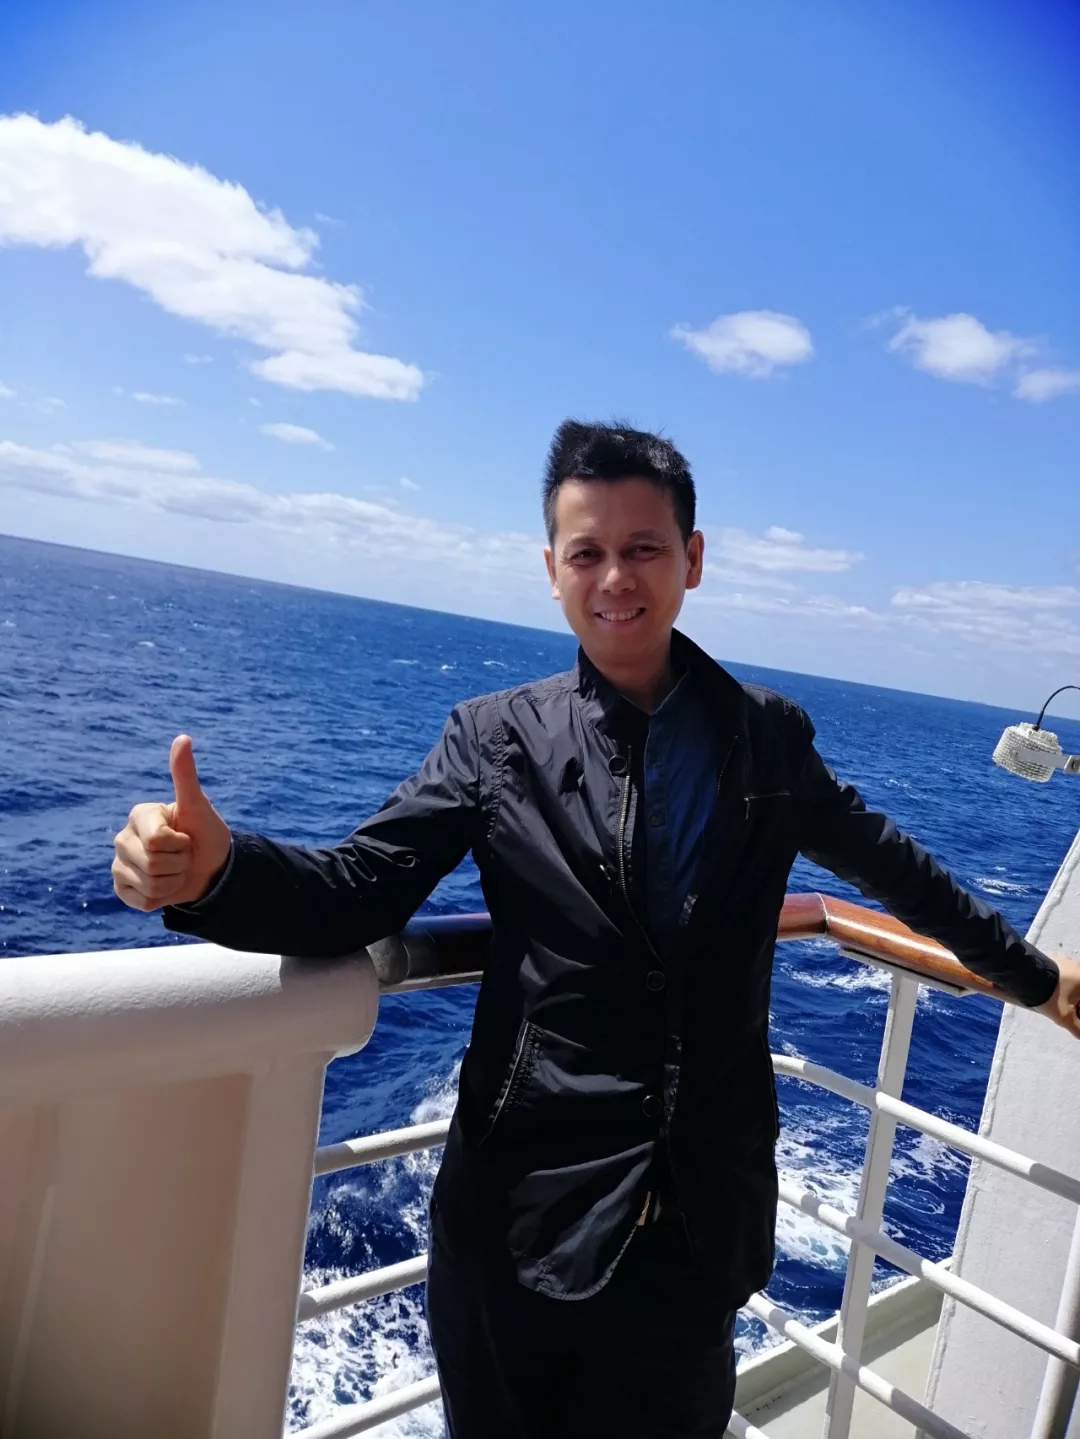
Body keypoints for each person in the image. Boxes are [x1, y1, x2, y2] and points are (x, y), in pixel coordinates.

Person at [112, 419, 1080, 1439]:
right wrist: (217, 872)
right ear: (552, 570)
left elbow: (897, 870)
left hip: (694, 1238)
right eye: (587, 552)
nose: (616, 577)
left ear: (692, 559)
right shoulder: (494, 739)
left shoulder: (767, 740)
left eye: (643, 547)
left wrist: (1036, 977)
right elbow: (360, 888)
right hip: (519, 1227)